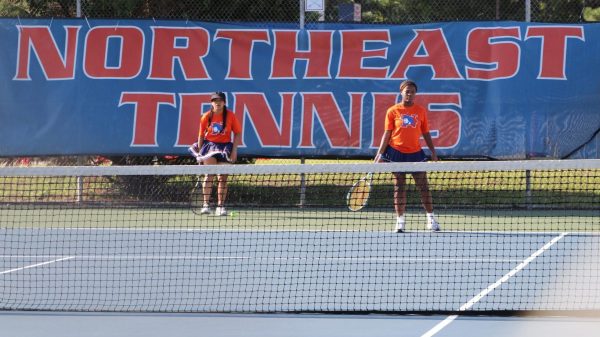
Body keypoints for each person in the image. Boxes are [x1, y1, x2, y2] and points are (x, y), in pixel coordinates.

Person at [375, 80, 441, 233]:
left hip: (416, 154)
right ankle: (400, 222)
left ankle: (431, 219)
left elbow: (425, 133)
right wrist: (379, 154)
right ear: (401, 92)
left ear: (415, 94)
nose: (410, 94)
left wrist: (433, 151)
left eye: (412, 92)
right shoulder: (392, 111)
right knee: (399, 187)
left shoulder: (421, 111)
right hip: (396, 152)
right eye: (407, 91)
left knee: (423, 186)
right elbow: (387, 133)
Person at [188, 91, 242, 216]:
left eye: (220, 100)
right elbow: (201, 136)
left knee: (222, 178)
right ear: (211, 103)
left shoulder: (231, 116)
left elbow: (238, 133)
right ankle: (206, 205)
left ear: (224, 102)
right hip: (210, 147)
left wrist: (234, 151)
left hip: (225, 148)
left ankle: (220, 207)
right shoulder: (206, 117)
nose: (218, 103)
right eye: (215, 101)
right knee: (209, 175)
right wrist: (201, 155)